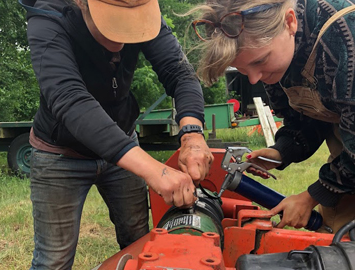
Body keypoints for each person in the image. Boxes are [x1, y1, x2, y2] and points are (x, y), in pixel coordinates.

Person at [19, 0, 214, 268]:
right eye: (114, 22)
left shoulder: (146, 12)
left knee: (140, 242)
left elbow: (180, 74)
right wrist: (153, 170)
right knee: (53, 259)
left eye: (134, 22)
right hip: (60, 154)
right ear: (82, 3)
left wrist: (192, 135)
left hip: (123, 142)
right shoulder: (49, 16)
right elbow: (69, 98)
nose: (124, 39)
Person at [189, 0, 355, 233]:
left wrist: (309, 198)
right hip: (348, 155)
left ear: (290, 22)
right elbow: (307, 121)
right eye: (244, 69)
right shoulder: (275, 62)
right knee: (338, 234)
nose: (255, 79)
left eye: (260, 61)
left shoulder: (345, 35)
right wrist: (281, 151)